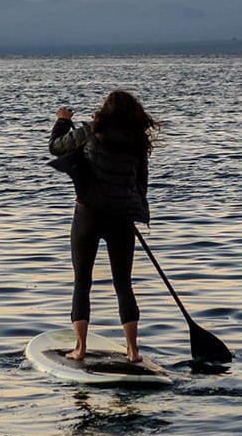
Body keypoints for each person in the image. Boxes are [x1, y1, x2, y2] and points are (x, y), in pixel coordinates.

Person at [48, 90, 159, 362]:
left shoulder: (90, 131)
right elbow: (140, 183)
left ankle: (80, 348)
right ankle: (133, 351)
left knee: (82, 281)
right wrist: (136, 211)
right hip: (122, 217)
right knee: (124, 284)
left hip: (89, 214)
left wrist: (63, 121)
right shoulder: (137, 141)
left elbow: (57, 146)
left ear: (104, 111)